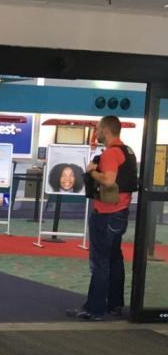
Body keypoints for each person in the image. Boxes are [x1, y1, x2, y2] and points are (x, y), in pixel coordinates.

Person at [68, 115, 137, 321]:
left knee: (100, 262)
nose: (96, 133)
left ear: (106, 131)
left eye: (98, 129)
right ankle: (114, 304)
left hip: (106, 215)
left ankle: (94, 309)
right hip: (120, 213)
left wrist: (91, 172)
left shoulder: (111, 154)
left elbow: (108, 181)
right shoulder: (127, 151)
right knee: (115, 259)